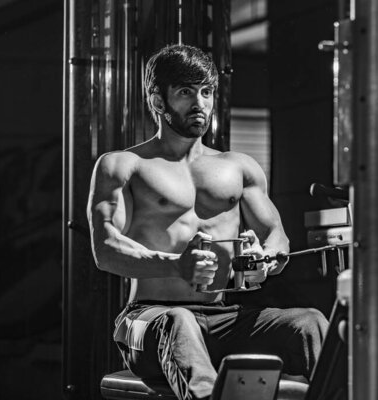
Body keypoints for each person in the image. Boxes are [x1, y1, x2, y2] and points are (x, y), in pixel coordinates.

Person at [87, 44, 328, 400]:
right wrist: (176, 265)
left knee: (309, 322)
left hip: (225, 316)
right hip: (149, 318)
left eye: (207, 92)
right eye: (185, 92)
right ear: (157, 101)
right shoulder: (123, 165)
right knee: (178, 321)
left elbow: (277, 236)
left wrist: (266, 260)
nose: (199, 103)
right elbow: (106, 249)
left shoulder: (239, 167)